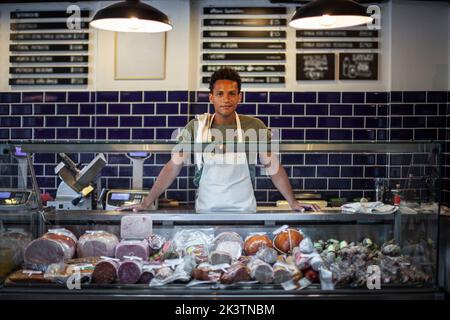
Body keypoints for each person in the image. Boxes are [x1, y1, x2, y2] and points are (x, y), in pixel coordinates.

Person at [119, 67, 319, 212]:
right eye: (220, 94)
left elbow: (273, 166)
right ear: (211, 97)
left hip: (244, 211)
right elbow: (173, 166)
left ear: (240, 97)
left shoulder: (254, 126)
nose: (226, 99)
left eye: (232, 94)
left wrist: (293, 202)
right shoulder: (196, 127)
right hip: (207, 211)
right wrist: (146, 202)